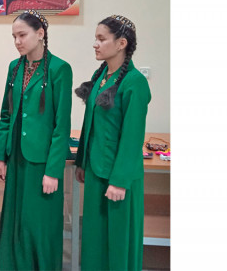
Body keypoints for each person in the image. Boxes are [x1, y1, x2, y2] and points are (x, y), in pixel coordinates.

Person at [0, 10, 72, 270]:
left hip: (42, 161)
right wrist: (1, 157)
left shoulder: (60, 69)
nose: (17, 41)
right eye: (14, 36)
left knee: (40, 223)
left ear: (40, 34)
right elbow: (6, 114)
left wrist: (53, 171)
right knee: (16, 220)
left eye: (22, 35)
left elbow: (62, 125)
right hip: (16, 157)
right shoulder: (15, 67)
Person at [74, 15, 151, 271]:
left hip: (119, 178)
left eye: (101, 39)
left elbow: (132, 137)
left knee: (117, 241)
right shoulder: (101, 77)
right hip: (96, 172)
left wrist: (119, 181)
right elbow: (90, 124)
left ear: (121, 43)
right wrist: (82, 162)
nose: (95, 44)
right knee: (94, 240)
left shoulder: (135, 83)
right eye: (95, 38)